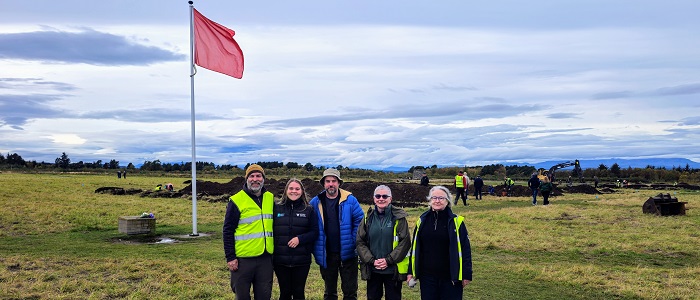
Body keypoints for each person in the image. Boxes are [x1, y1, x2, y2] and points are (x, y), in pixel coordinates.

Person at [406, 186, 472, 300]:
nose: (437, 201)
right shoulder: (422, 220)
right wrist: (411, 271)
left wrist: (466, 274)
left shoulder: (456, 222)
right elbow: (415, 248)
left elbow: (465, 249)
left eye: (441, 198)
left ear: (447, 201)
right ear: (430, 200)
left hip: (450, 277)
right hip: (427, 277)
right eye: (434, 198)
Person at [310, 168, 364, 300]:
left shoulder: (350, 200)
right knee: (329, 293)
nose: (331, 184)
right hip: (327, 254)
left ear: (339, 183)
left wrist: (352, 241)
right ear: (323, 183)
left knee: (350, 292)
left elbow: (360, 220)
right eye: (328, 181)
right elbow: (309, 224)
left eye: (334, 181)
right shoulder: (315, 202)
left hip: (348, 254)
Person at [223, 164, 274, 300]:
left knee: (264, 295)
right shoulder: (236, 200)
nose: (255, 179)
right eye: (252, 176)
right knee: (242, 296)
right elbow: (228, 230)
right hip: (242, 260)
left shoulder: (270, 198)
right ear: (246, 179)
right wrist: (230, 257)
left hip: (265, 258)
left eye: (258, 176)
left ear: (263, 179)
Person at [357, 185, 411, 300]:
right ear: (374, 198)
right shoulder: (367, 218)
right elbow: (360, 241)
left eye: (385, 196)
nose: (381, 199)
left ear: (390, 199)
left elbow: (405, 242)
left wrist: (388, 260)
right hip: (373, 270)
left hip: (392, 270)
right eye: (378, 196)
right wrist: (371, 260)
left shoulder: (399, 218)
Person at [273, 178, 318, 300]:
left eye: (297, 189)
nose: (294, 191)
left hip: (301, 260)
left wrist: (300, 239)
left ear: (302, 191)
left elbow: (315, 232)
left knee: (299, 293)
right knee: (285, 293)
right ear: (286, 190)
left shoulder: (308, 210)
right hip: (280, 260)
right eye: (291, 188)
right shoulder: (276, 208)